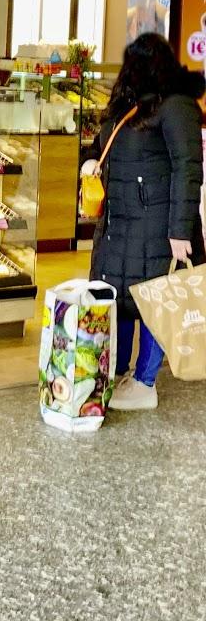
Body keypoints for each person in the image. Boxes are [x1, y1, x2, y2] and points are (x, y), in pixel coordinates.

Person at [86, 34, 203, 411]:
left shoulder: (176, 106)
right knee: (124, 300)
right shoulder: (130, 106)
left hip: (156, 227)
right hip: (120, 224)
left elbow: (188, 168)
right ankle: (122, 372)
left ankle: (145, 380)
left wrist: (180, 231)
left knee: (156, 301)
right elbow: (99, 144)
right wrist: (89, 161)